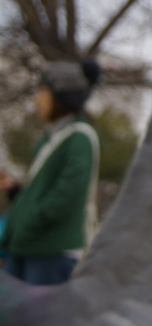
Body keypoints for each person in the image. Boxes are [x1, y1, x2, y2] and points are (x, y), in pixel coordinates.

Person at [0, 59, 102, 285]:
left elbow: (66, 195)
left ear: (61, 97)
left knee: (37, 320)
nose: (37, 98)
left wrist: (29, 222)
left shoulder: (80, 137)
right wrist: (17, 191)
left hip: (52, 252)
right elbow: (42, 191)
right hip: (26, 246)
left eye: (43, 91)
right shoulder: (49, 138)